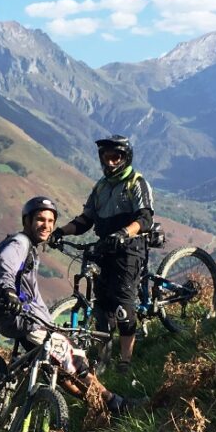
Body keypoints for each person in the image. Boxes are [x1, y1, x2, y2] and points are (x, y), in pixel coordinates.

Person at [0, 195, 136, 415]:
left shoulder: (28, 245)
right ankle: (114, 404)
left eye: (51, 221)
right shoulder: (19, 244)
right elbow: (5, 266)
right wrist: (9, 292)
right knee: (74, 358)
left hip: (23, 318)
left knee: (61, 363)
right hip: (23, 319)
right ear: (27, 221)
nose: (46, 226)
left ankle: (98, 406)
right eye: (40, 219)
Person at [50, 135, 154, 374]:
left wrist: (124, 233)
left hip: (130, 248)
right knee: (103, 305)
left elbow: (145, 218)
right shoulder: (100, 187)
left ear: (125, 158)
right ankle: (103, 359)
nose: (110, 162)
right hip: (105, 247)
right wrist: (61, 232)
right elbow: (85, 220)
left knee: (124, 305)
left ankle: (126, 360)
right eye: (106, 157)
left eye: (115, 157)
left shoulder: (136, 183)